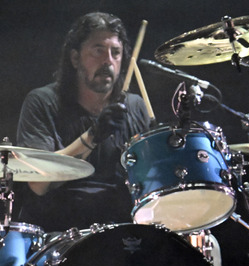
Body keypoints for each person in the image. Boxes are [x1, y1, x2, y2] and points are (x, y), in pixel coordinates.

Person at [16, 12, 154, 232]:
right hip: (60, 233)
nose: (108, 60)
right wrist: (93, 136)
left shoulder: (136, 107)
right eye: (98, 50)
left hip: (121, 231)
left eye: (115, 53)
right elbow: (38, 184)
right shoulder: (43, 102)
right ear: (75, 58)